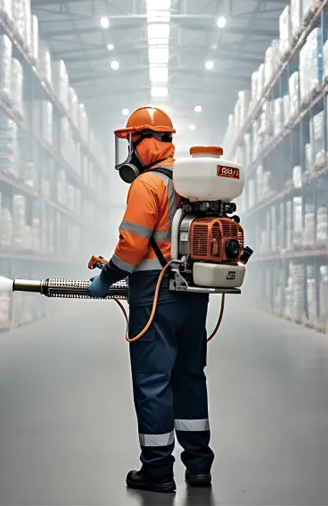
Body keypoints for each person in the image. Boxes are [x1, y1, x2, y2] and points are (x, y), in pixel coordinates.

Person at [87, 106, 214, 493]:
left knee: (153, 382)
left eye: (132, 141)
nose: (129, 150)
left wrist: (107, 277)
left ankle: (157, 470)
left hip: (155, 296)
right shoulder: (190, 183)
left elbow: (131, 246)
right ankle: (199, 466)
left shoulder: (148, 184)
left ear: (146, 140)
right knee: (190, 376)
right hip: (194, 295)